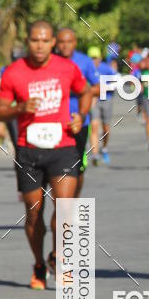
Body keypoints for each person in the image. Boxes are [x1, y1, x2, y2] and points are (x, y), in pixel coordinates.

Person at [0, 20, 91, 288]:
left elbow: (85, 93)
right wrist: (20, 107)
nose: (39, 45)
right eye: (35, 40)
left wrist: (80, 117)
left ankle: (59, 256)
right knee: (34, 214)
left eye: (45, 40)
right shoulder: (14, 72)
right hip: (29, 150)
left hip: (63, 146)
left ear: (53, 43)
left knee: (66, 207)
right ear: (27, 41)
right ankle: (39, 263)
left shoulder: (67, 68)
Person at [55, 28, 99, 196]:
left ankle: (75, 200)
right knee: (56, 168)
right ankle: (62, 207)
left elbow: (97, 87)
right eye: (61, 42)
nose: (65, 46)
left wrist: (78, 90)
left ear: (75, 43)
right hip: (54, 122)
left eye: (69, 42)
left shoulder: (84, 61)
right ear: (55, 43)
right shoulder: (49, 61)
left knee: (77, 167)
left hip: (79, 121)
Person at [88, 46, 114, 165]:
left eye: (95, 58)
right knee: (94, 126)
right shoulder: (86, 69)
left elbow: (115, 83)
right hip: (94, 101)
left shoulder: (106, 69)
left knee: (105, 128)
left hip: (106, 99)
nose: (94, 60)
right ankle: (95, 154)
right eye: (91, 58)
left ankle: (104, 148)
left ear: (100, 58)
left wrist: (102, 88)